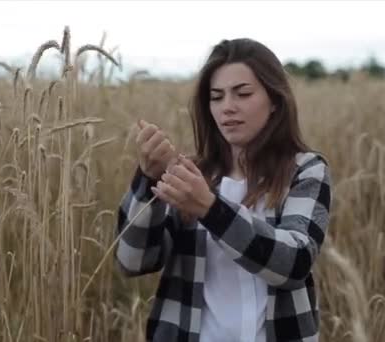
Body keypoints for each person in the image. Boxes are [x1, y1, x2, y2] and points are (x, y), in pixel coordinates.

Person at [115, 38, 332, 342]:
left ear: (274, 101)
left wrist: (210, 208)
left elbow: (294, 262)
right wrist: (147, 178)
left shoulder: (305, 170)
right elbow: (132, 261)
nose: (228, 107)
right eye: (216, 97)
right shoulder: (192, 175)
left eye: (242, 94)